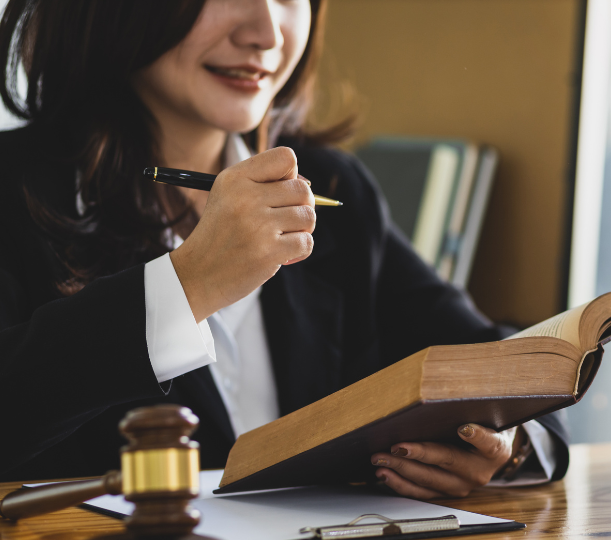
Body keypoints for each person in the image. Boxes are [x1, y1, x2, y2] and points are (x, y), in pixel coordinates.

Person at [0, 0, 568, 499]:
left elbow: (490, 361)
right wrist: (187, 284)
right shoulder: (13, 192)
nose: (266, 33)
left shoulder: (329, 187)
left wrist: (506, 442)